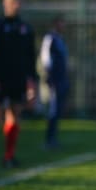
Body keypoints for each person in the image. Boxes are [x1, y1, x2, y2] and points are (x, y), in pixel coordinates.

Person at [0, 0, 38, 169]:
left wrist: (31, 81)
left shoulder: (26, 28)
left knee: (14, 114)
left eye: (19, 1)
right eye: (13, 1)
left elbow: (30, 57)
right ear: (5, 3)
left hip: (18, 78)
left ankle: (9, 156)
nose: (17, 4)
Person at [39, 15, 70, 148]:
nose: (64, 26)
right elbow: (45, 58)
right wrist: (49, 76)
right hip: (54, 80)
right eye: (62, 23)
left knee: (58, 110)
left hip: (62, 79)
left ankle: (54, 138)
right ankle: (49, 139)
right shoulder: (50, 38)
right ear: (56, 24)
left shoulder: (60, 39)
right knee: (53, 109)